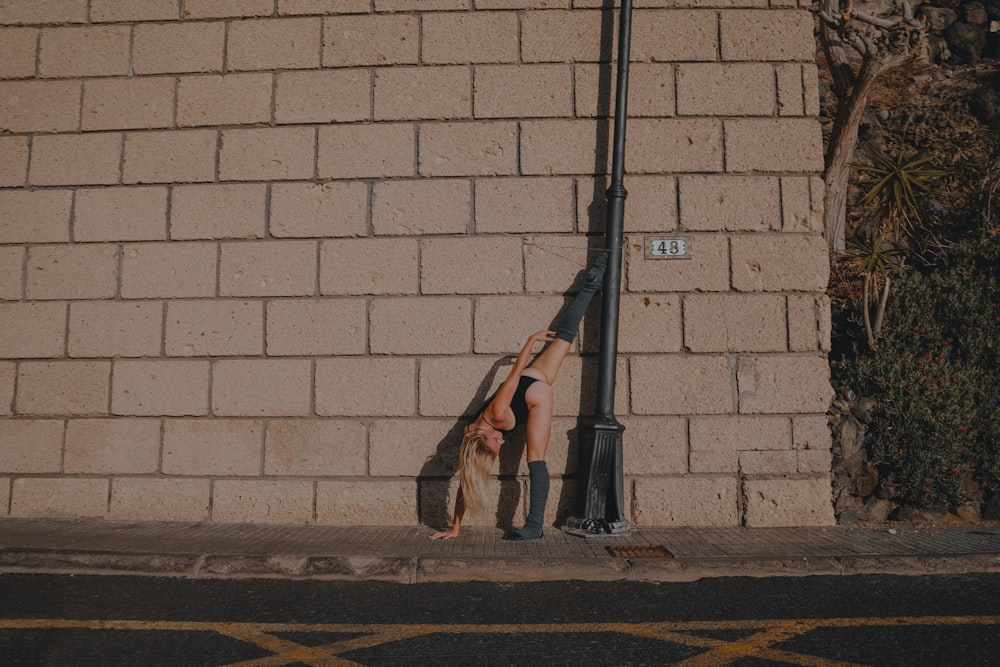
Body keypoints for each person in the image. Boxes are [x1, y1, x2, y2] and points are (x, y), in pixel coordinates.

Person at [431, 254, 607, 540]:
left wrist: (531, 341)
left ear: (483, 438)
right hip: (533, 382)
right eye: (500, 444)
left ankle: (535, 526)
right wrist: (455, 527)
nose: (503, 441)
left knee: (535, 457)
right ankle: (594, 278)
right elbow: (467, 481)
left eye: (497, 441)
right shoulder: (470, 436)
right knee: (566, 335)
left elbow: (513, 377)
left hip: (534, 391)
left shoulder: (496, 416)